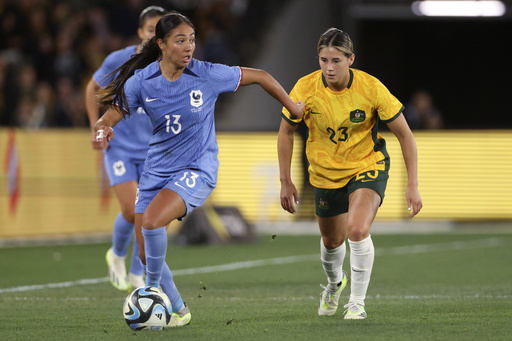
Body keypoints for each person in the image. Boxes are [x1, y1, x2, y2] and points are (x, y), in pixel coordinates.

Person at [93, 12, 304, 327]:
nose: (189, 47)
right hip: (157, 170)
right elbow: (113, 112)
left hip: (197, 167)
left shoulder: (207, 74)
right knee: (142, 250)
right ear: (162, 44)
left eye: (191, 40)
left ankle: (151, 293)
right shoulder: (143, 80)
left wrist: (292, 105)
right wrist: (102, 128)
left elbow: (260, 75)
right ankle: (179, 310)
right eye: (180, 41)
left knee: (151, 223)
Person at [278, 28, 422, 320]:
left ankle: (357, 303)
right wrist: (285, 180)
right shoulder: (305, 89)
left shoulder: (371, 88)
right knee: (332, 242)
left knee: (356, 230)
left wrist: (413, 185)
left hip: (367, 166)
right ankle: (334, 284)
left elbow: (405, 135)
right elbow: (286, 132)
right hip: (324, 174)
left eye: (336, 60)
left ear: (351, 59)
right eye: (323, 60)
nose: (329, 67)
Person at [84, 6, 167, 293]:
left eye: (160, 32)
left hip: (152, 152)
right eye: (150, 31)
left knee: (149, 214)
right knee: (133, 211)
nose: (154, 37)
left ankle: (136, 272)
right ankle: (117, 254)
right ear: (140, 32)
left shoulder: (168, 65)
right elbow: (91, 88)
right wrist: (96, 127)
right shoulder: (119, 59)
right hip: (119, 146)